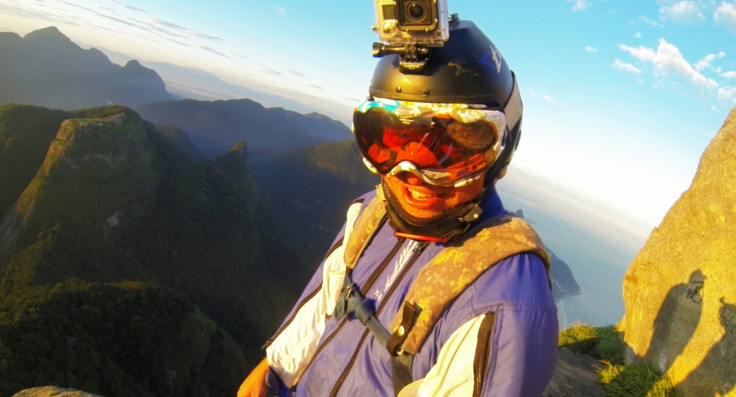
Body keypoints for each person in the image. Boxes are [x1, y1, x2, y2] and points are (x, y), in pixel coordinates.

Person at [238, 17, 558, 397]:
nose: (413, 172)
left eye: (455, 144)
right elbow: (325, 303)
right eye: (393, 138)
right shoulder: (371, 213)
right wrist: (270, 370)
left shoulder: (504, 308)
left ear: (498, 153)